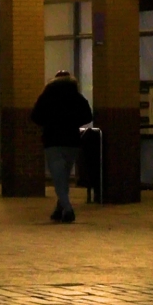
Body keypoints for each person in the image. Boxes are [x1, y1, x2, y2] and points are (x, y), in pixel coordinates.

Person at [31, 70, 93, 223]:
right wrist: (73, 123)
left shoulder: (47, 96)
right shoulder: (76, 96)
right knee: (64, 177)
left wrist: (48, 123)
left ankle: (68, 208)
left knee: (58, 178)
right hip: (72, 141)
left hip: (53, 141)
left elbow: (35, 116)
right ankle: (59, 209)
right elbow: (88, 115)